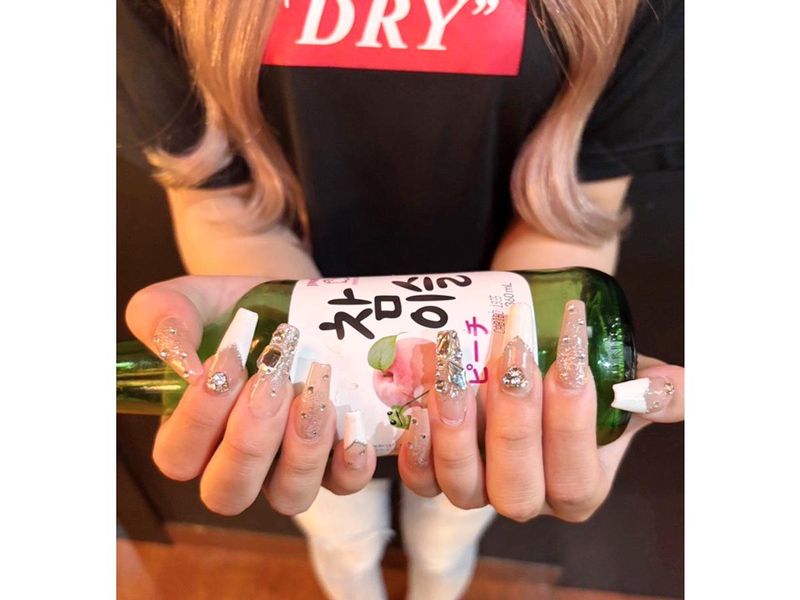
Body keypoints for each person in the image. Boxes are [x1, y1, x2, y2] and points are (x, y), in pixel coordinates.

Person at [118, 0, 685, 598]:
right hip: (291, 368)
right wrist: (294, 344)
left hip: (488, 374)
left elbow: (572, 215)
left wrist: (530, 377)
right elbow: (220, 204)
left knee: (447, 540)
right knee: (344, 538)